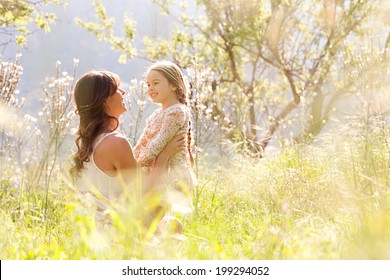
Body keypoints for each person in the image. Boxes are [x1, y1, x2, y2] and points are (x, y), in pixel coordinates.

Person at [70, 70, 184, 229]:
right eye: (117, 89)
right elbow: (151, 202)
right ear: (104, 101)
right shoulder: (116, 143)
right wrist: (164, 156)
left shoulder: (86, 142)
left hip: (87, 235)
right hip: (111, 237)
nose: (123, 92)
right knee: (173, 226)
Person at [133, 61, 198, 215]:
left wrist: (138, 162)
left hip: (172, 174)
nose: (150, 89)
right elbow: (143, 141)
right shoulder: (157, 114)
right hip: (158, 170)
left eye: (155, 83)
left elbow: (157, 144)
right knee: (155, 217)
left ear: (173, 85)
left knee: (170, 217)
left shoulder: (176, 112)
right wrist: (132, 159)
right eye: (148, 84)